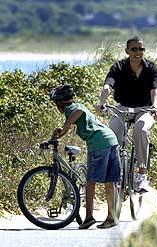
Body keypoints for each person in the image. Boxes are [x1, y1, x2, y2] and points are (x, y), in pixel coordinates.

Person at [95, 36, 157, 193]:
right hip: (122, 108)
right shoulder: (118, 66)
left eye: (141, 49)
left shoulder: (151, 68)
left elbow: (156, 91)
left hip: (144, 109)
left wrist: (155, 107)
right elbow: (107, 87)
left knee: (141, 130)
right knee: (112, 134)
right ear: (127, 51)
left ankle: (142, 175)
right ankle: (114, 172)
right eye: (134, 49)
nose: (138, 52)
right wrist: (101, 102)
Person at [50, 84, 120, 230]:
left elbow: (78, 112)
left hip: (98, 142)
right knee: (109, 182)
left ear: (60, 102)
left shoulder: (71, 109)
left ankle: (88, 217)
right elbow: (77, 114)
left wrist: (65, 127)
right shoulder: (77, 104)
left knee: (90, 182)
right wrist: (60, 132)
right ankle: (112, 217)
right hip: (111, 139)